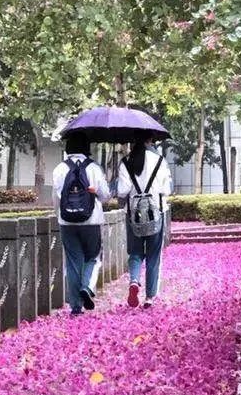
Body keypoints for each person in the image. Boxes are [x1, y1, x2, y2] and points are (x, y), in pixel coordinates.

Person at [52, 132, 110, 315]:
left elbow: (56, 199)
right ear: (87, 148)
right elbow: (105, 196)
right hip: (91, 221)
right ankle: (87, 286)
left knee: (73, 262)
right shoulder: (94, 168)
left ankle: (76, 306)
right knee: (93, 257)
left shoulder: (59, 169)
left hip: (67, 222)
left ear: (68, 148)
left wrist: (60, 215)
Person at [117, 133, 172, 309]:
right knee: (154, 255)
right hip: (156, 212)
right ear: (150, 140)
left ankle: (134, 280)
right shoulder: (160, 161)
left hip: (134, 215)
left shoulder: (126, 162)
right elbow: (166, 190)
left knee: (135, 252)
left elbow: (122, 191)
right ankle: (149, 297)